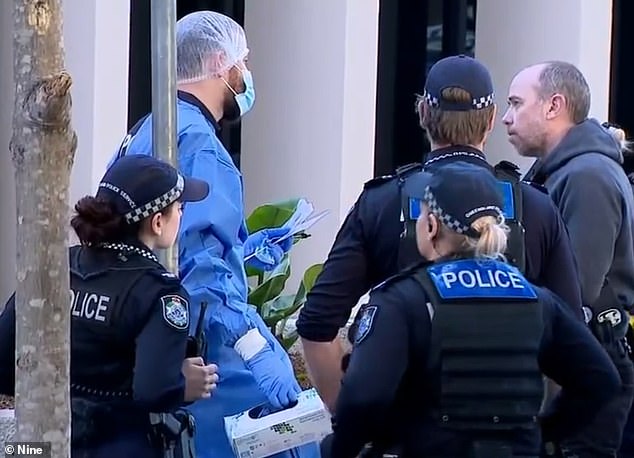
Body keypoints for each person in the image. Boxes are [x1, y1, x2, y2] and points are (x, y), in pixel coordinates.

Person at [297, 54, 583, 411]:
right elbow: (573, 344)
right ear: (491, 118)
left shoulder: (382, 203)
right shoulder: (536, 208)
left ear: (423, 115)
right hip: (509, 436)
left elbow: (317, 324)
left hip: (407, 436)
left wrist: (350, 419)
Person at [109, 10, 319, 458]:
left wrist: (243, 253)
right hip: (203, 351)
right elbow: (203, 273)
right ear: (222, 61)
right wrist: (255, 347)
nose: (248, 73)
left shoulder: (146, 131)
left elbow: (171, 246)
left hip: (138, 342)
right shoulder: (201, 146)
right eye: (245, 61)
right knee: (291, 438)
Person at [319, 162, 621, 458]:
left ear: (432, 226)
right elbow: (600, 380)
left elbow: (362, 400)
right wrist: (543, 436)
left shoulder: (404, 300)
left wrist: (339, 449)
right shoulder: (536, 299)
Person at [0, 154, 217, 457]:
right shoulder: (160, 291)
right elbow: (154, 391)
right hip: (115, 446)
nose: (181, 215)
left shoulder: (52, 267)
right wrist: (181, 383)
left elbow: (4, 366)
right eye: (179, 208)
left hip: (35, 447)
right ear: (157, 222)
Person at [503, 60, 634, 457]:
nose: (506, 119)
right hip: (577, 366)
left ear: (553, 105)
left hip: (589, 368)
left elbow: (575, 293)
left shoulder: (586, 176)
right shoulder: (564, 171)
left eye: (515, 104)